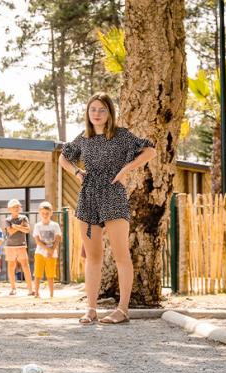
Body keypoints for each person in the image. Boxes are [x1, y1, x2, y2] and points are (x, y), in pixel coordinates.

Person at [59, 92, 156, 325]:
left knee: (121, 255)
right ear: (87, 113)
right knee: (92, 256)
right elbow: (63, 158)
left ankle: (122, 310)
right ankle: (90, 309)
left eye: (102, 110)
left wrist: (126, 170)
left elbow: (150, 151)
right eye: (93, 109)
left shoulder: (121, 136)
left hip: (113, 194)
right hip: (88, 195)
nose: (97, 114)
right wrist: (78, 173)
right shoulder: (83, 138)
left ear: (110, 112)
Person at [32, 201, 62, 299]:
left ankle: (51, 294)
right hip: (40, 253)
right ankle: (36, 293)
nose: (45, 215)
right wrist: (47, 249)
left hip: (52, 253)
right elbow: (37, 240)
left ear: (51, 213)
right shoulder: (37, 225)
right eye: (43, 213)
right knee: (38, 274)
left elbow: (58, 239)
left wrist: (52, 250)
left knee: (50, 275)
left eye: (47, 213)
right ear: (40, 213)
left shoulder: (55, 225)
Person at [4, 199, 34, 296]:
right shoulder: (7, 220)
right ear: (9, 209)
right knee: (11, 266)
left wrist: (15, 226)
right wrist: (20, 227)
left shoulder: (24, 218)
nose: (17, 209)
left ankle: (30, 289)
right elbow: (10, 232)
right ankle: (13, 288)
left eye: (18, 207)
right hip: (10, 246)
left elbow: (27, 230)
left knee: (25, 266)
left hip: (21, 245)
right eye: (14, 207)